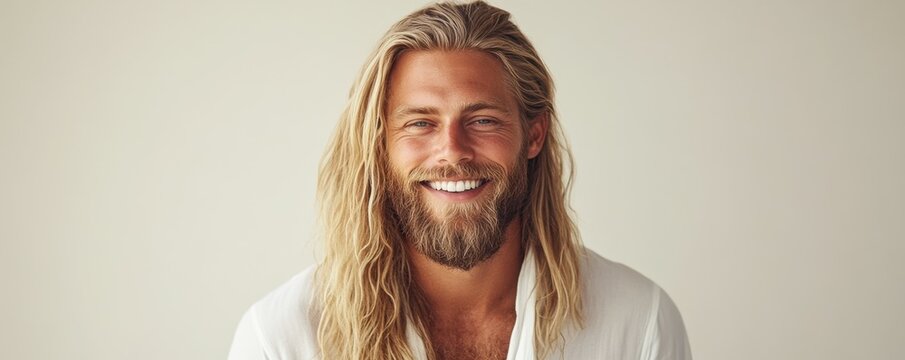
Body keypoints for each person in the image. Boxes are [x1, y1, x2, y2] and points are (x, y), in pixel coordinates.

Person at [228, 1, 692, 359]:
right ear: (379, 145)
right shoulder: (282, 339)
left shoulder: (637, 320)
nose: (452, 150)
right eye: (420, 123)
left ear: (533, 135)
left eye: (484, 120)